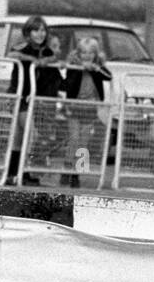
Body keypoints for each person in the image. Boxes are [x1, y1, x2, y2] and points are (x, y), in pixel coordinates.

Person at [7, 15, 61, 185]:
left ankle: (17, 172)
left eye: (43, 30)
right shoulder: (23, 47)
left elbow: (54, 58)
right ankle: (18, 171)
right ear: (28, 32)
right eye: (36, 30)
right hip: (20, 96)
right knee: (28, 132)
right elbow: (12, 54)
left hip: (35, 99)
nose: (40, 34)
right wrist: (30, 59)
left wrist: (47, 60)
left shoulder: (46, 51)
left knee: (20, 136)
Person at [60, 35, 112, 187]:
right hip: (74, 107)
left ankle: (77, 174)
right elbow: (68, 83)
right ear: (78, 54)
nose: (87, 56)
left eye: (91, 53)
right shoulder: (74, 67)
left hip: (90, 109)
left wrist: (95, 68)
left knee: (84, 142)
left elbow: (109, 76)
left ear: (95, 55)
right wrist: (79, 68)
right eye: (84, 53)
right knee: (74, 138)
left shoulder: (98, 69)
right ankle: (67, 168)